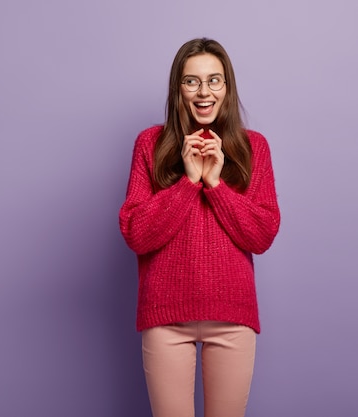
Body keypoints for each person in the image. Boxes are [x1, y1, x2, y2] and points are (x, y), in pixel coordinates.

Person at [119, 38, 280, 417]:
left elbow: (261, 234)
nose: (204, 91)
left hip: (232, 317)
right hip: (165, 317)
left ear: (227, 88)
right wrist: (189, 183)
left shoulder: (253, 147)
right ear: (178, 89)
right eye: (191, 81)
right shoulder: (151, 144)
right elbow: (136, 233)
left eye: (214, 80)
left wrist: (216, 185)